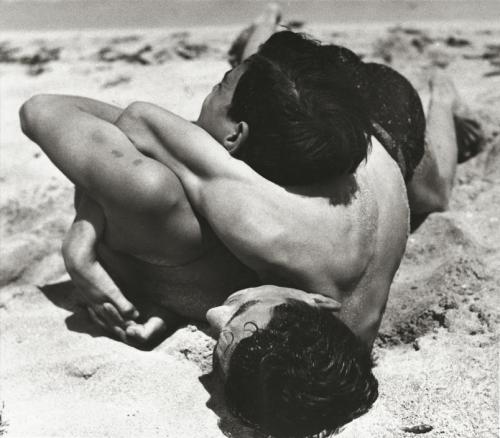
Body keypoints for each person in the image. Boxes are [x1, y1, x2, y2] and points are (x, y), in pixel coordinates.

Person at [19, 7, 482, 436]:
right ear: (316, 303)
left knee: (430, 193)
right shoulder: (274, 231)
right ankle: (279, 28)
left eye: (220, 327)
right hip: (376, 108)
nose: (216, 313)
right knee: (258, 87)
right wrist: (84, 228)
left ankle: (438, 97)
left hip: (376, 165)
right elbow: (141, 123)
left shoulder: (328, 360)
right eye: (236, 314)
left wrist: (180, 311)